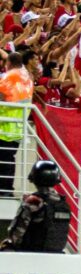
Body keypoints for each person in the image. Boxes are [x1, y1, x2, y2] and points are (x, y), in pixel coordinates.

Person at [0, 159, 70, 252]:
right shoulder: (63, 203)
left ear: (35, 178)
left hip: (31, 253)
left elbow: (16, 233)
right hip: (56, 254)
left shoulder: (33, 201)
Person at [0, 52, 32, 197]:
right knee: (9, 158)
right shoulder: (27, 77)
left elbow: (1, 94)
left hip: (5, 124)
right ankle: (7, 190)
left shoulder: (10, 76)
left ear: (9, 63)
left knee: (4, 159)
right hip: (18, 125)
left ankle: (4, 190)